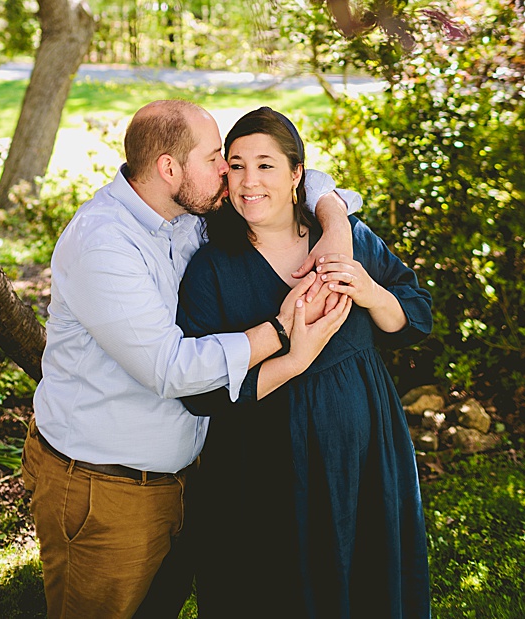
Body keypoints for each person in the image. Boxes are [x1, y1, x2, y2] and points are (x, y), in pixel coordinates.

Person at [20, 98, 359, 619]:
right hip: (105, 490)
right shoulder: (104, 245)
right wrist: (281, 332)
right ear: (169, 169)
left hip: (179, 482)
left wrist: (334, 223)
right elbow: (170, 368)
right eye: (216, 157)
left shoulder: (182, 212)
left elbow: (299, 175)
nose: (228, 170)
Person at [176, 106, 432, 618]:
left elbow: (416, 317)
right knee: (279, 586)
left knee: (366, 574)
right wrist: (291, 353)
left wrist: (371, 291)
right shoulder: (211, 267)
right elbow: (200, 391)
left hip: (363, 449)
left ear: (298, 175)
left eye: (266, 165)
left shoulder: (348, 239)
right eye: (237, 164)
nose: (250, 181)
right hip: (263, 459)